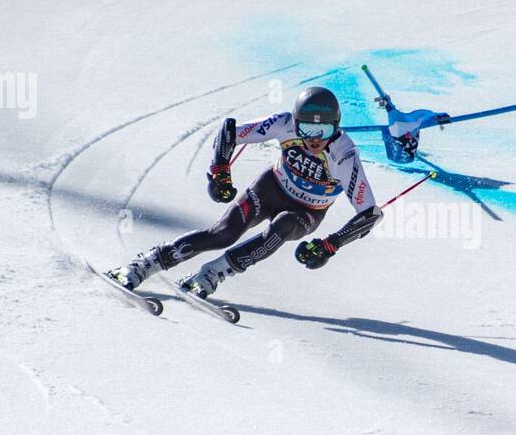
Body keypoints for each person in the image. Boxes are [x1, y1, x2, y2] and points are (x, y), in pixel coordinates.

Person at [109, 86, 382, 299]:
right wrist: (220, 171)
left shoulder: (344, 155)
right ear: (296, 121)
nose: (315, 138)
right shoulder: (284, 123)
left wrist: (331, 244)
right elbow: (229, 132)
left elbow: (370, 213)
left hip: (306, 212)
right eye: (308, 128)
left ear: (337, 125)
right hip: (270, 189)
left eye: (324, 129)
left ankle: (213, 273)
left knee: (283, 225)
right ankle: (144, 265)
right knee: (223, 234)